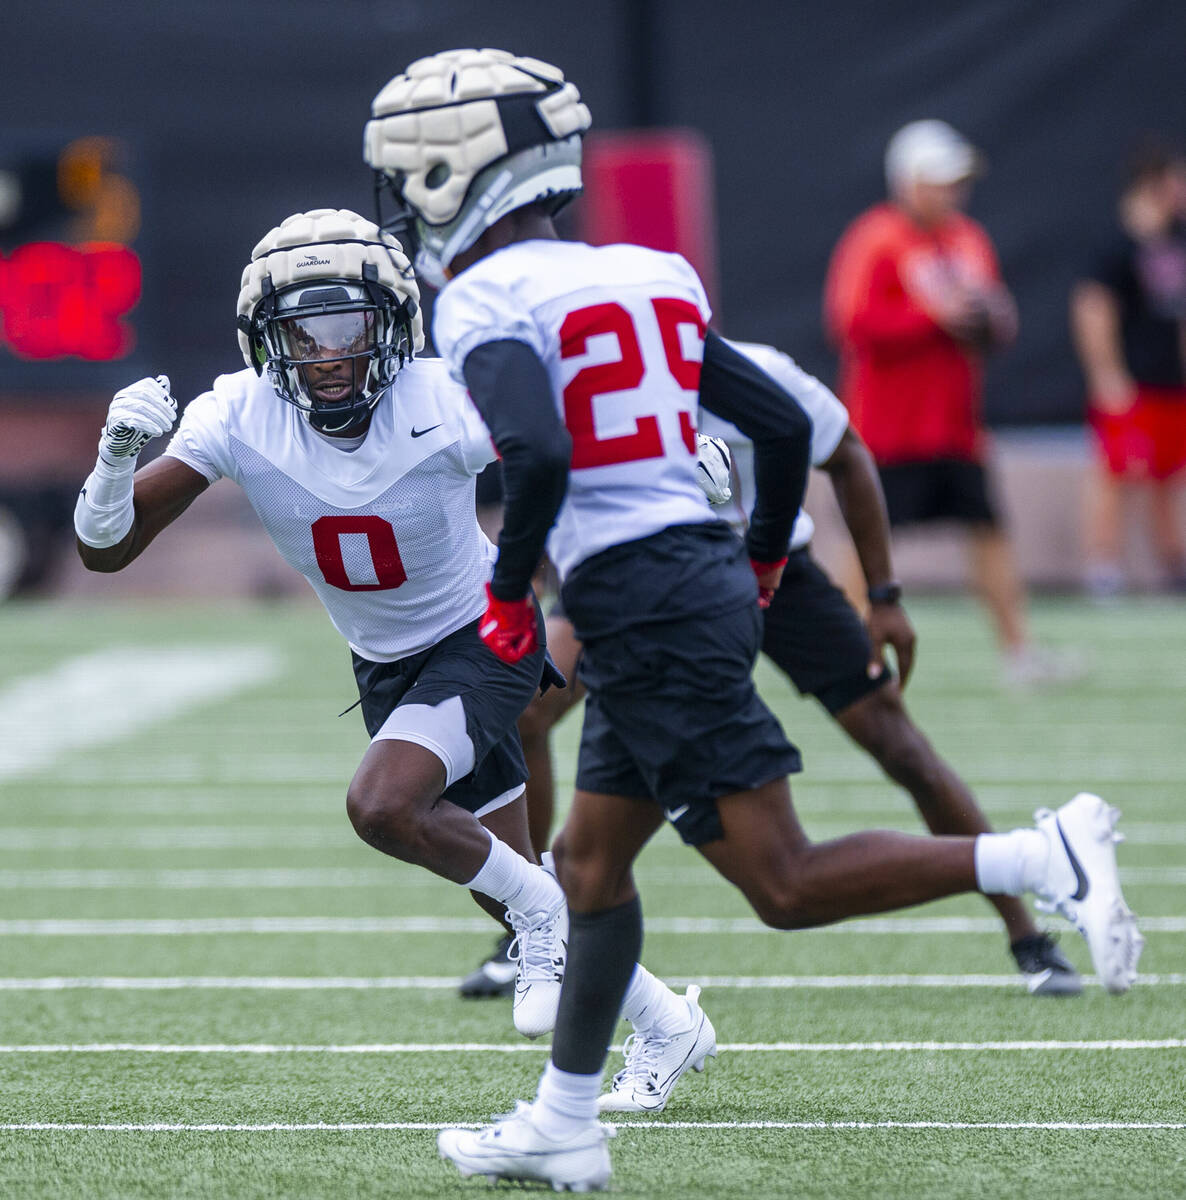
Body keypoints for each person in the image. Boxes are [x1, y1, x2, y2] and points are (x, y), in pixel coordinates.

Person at [363, 51, 1142, 1191]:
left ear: (456, 176)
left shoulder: (483, 296)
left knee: (780, 883)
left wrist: (503, 588)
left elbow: (535, 450)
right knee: (588, 864)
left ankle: (1041, 855)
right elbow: (779, 425)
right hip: (683, 577)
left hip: (638, 595)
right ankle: (565, 1121)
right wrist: (769, 554)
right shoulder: (646, 270)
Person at [72, 207, 707, 1054]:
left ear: (393, 324)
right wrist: (115, 457)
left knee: (383, 805)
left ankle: (552, 935)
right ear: (267, 339)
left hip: (487, 633)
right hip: (385, 666)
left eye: (349, 326)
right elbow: (106, 551)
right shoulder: (237, 413)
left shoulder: (443, 400)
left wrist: (672, 454)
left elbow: (566, 434)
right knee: (507, 882)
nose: (330, 353)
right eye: (305, 331)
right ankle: (668, 1024)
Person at [506, 339, 1081, 1008]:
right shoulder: (593, 384)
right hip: (647, 589)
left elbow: (847, 455)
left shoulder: (759, 373)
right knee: (529, 711)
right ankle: (529, 933)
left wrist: (885, 595)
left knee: (898, 745)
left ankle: (1025, 931)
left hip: (774, 572)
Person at [825, 119, 1077, 689]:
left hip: (954, 425)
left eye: (955, 181)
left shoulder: (968, 239)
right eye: (939, 180)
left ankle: (1019, 652)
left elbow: (992, 320)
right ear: (908, 181)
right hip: (889, 427)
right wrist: (930, 319)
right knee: (865, 545)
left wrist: (991, 322)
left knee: (988, 532)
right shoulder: (876, 238)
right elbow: (851, 323)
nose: (951, 192)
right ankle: (840, 657)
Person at [1071, 140, 1186, 598]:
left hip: (1170, 381)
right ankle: (1104, 566)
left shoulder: (1177, 240)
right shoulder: (1116, 245)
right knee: (1118, 473)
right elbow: (1092, 309)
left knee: (1168, 475)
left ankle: (1172, 562)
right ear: (1154, 184)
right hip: (1130, 379)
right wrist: (1107, 374)